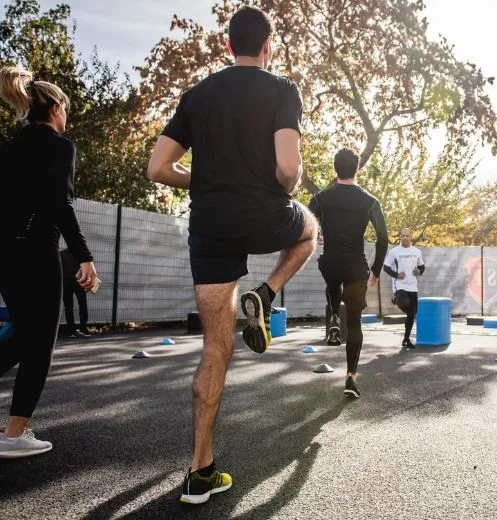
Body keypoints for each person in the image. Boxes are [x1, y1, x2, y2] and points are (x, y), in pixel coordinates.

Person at [146, 6, 317, 505]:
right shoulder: (282, 90)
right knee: (309, 230)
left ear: (228, 46)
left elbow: (158, 168)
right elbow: (288, 168)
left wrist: (203, 180)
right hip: (265, 215)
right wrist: (290, 183)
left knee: (214, 349)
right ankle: (266, 292)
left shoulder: (197, 96)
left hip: (211, 227)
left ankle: (200, 471)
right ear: (268, 47)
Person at [0, 66, 97, 458]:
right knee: (40, 340)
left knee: (26, 332)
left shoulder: (14, 145)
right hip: (34, 250)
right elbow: (60, 204)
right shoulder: (60, 146)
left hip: (0, 249)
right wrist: (84, 256)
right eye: (66, 110)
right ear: (56, 109)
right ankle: (13, 434)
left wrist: (19, 207)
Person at [309, 148, 388, 398]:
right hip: (356, 266)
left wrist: (318, 237)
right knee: (354, 323)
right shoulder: (370, 200)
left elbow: (306, 227)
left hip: (330, 261)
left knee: (332, 281)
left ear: (335, 168)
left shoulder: (320, 198)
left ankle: (333, 316)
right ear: (357, 169)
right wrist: (376, 269)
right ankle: (351, 378)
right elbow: (383, 238)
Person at [383, 228, 425, 348]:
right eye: (403, 236)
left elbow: (422, 267)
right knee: (405, 305)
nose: (405, 238)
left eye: (407, 236)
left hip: (413, 286)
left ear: (411, 237)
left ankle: (406, 339)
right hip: (399, 285)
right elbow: (386, 267)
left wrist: (419, 271)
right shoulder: (394, 252)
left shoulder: (416, 251)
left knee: (412, 313)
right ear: (400, 237)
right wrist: (396, 275)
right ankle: (396, 298)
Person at [60, 247, 90, 338]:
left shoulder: (61, 254)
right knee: (82, 304)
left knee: (68, 307)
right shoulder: (80, 253)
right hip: (79, 282)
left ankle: (71, 331)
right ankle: (83, 329)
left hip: (66, 283)